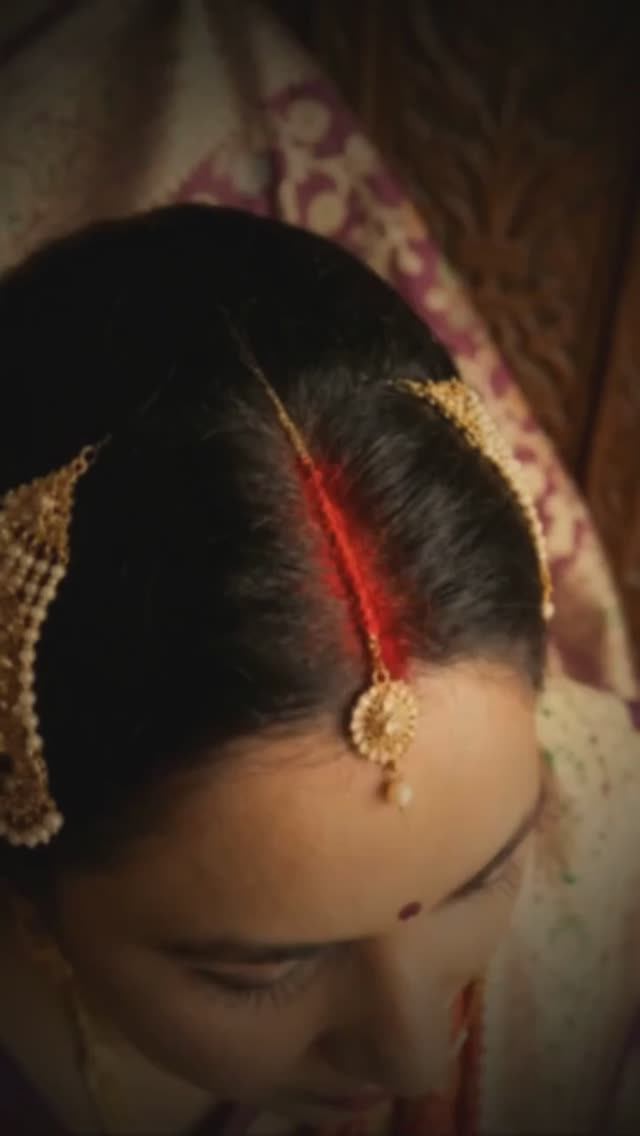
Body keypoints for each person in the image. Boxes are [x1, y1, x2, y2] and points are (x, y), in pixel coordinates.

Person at [0, 203, 638, 1136]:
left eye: (488, 875)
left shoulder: (616, 815)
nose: (418, 1056)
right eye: (258, 973)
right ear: (31, 887)